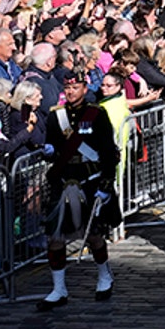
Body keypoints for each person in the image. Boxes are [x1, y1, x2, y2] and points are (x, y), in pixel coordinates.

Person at [37, 71, 120, 309]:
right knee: (55, 237)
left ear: (85, 88)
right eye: (68, 88)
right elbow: (52, 142)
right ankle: (59, 289)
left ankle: (104, 275)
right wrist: (50, 150)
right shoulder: (56, 116)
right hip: (63, 180)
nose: (71, 92)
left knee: (94, 235)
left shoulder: (96, 114)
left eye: (76, 87)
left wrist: (106, 183)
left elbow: (107, 151)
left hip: (89, 178)